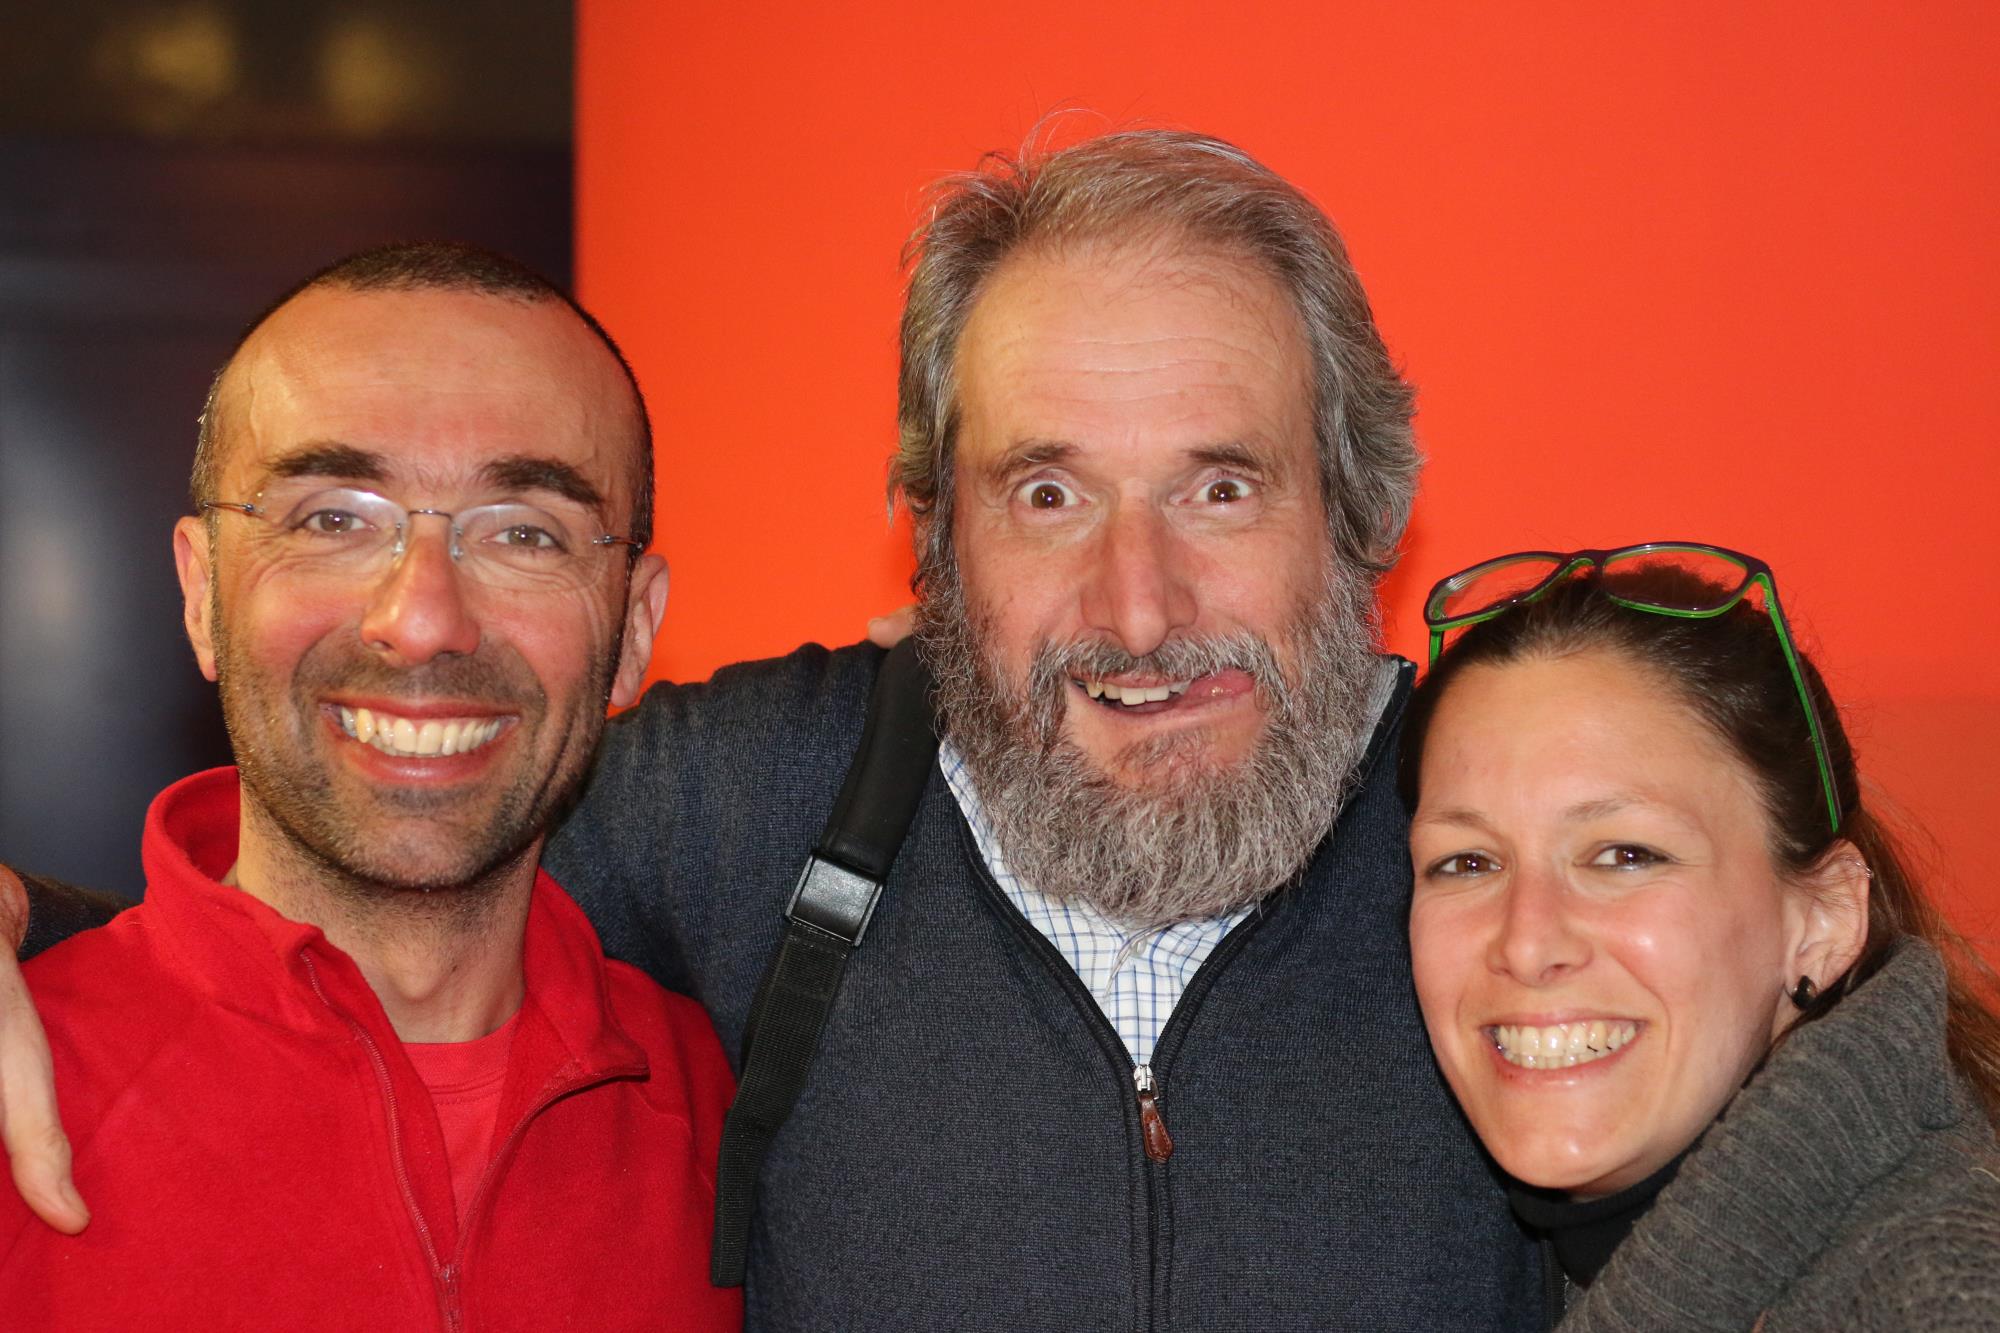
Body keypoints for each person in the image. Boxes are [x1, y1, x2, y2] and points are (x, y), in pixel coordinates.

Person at [3, 132, 1544, 1329]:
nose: (1137, 608)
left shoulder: (1525, 855)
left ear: (1361, 516)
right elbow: (394, 844)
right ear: (939, 553)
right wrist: (41, 934)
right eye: (1046, 493)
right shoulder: (762, 798)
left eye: (1221, 487)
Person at [0, 244, 743, 1329]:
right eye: (334, 518)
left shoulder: (747, 1125)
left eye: (524, 531)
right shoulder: (25, 1077)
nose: (424, 618)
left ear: (632, 629)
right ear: (204, 594)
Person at [1401, 544, 2000, 1330]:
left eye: (1625, 854)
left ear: (1823, 919)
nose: (1526, 942)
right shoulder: (1487, 1256)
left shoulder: (1941, 1297)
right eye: (1468, 861)